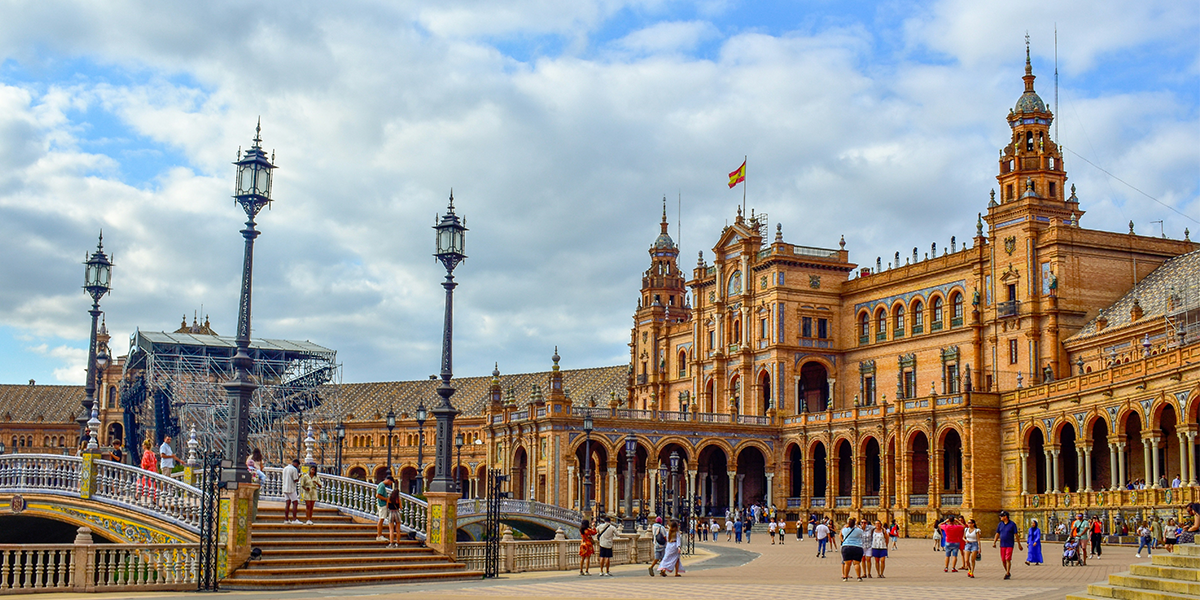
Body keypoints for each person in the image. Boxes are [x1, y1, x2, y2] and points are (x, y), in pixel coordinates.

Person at [992, 510, 1022, 580]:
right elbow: (997, 533)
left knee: (1007, 559)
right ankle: (1007, 571)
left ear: (1005, 517)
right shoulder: (1000, 524)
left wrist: (1019, 544)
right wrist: (994, 542)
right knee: (1003, 560)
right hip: (1002, 544)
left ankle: (1007, 572)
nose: (1000, 517)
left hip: (1010, 544)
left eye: (1001, 516)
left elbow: (1016, 535)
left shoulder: (1012, 524)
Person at [840, 517, 866, 582]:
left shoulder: (844, 530)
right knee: (856, 563)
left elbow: (841, 533)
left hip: (846, 546)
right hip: (857, 546)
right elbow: (862, 532)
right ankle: (859, 577)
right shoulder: (858, 530)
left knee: (847, 563)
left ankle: (845, 577)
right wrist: (857, 526)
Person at [374, 473, 394, 541]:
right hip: (382, 505)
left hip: (382, 504)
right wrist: (386, 499)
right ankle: (379, 535)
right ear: (388, 480)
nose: (390, 484)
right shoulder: (382, 485)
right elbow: (378, 495)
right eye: (391, 482)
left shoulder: (381, 485)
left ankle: (379, 535)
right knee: (381, 519)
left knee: (382, 519)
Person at [281, 458, 301, 524]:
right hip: (291, 488)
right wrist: (299, 476)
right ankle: (294, 519)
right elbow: (295, 479)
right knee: (295, 503)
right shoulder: (294, 469)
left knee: (287, 503)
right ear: (296, 464)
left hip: (285, 488)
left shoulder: (285, 468)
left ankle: (286, 519)